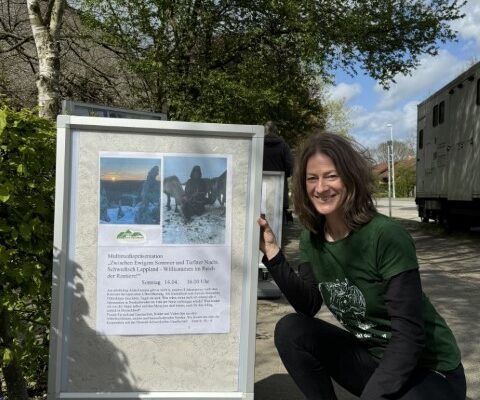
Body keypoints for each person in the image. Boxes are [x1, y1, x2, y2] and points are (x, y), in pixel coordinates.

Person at [257, 131, 466, 400]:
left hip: (429, 371)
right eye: (312, 178)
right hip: (373, 361)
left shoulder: (385, 236)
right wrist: (272, 252)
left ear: (350, 177)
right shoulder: (312, 238)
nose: (321, 188)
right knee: (291, 330)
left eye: (331, 175)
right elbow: (308, 304)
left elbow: (410, 337)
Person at [263, 121, 294, 222]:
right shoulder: (283, 146)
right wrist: (286, 174)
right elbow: (290, 166)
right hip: (279, 188)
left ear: (265, 130)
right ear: (276, 131)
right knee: (278, 222)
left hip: (261, 188)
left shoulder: (258, 144)